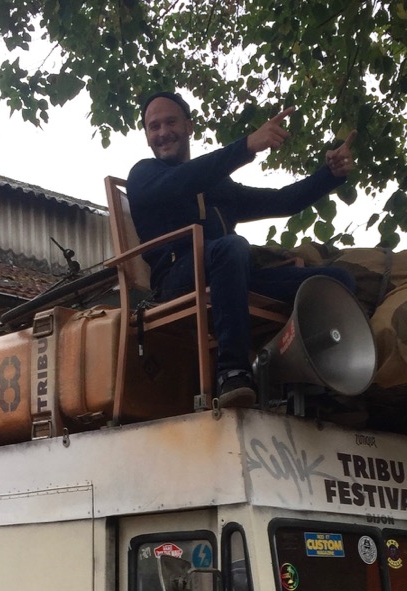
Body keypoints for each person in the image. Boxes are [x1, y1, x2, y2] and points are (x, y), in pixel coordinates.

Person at [127, 91, 358, 408]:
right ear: (147, 136)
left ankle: (319, 384)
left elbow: (282, 201)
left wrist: (328, 175)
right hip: (176, 281)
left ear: (189, 126)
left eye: (171, 122)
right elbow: (182, 181)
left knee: (335, 282)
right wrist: (247, 145)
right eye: (154, 126)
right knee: (232, 247)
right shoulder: (143, 176)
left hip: (233, 275)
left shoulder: (217, 186)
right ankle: (232, 373)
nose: (163, 132)